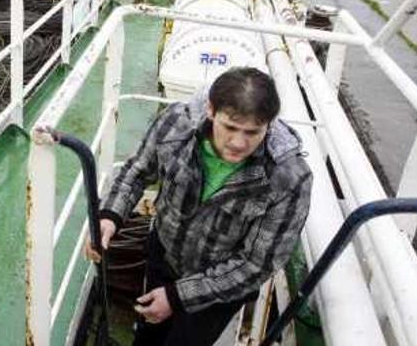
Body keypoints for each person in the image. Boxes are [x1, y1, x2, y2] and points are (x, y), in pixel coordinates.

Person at [86, 67, 312, 346]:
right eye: (229, 127)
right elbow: (138, 170)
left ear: (270, 123)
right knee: (146, 337)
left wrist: (177, 297)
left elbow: (257, 263)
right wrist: (110, 215)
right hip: (164, 256)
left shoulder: (288, 177)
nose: (239, 143)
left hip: (218, 292)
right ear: (210, 110)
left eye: (253, 132)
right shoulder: (176, 126)